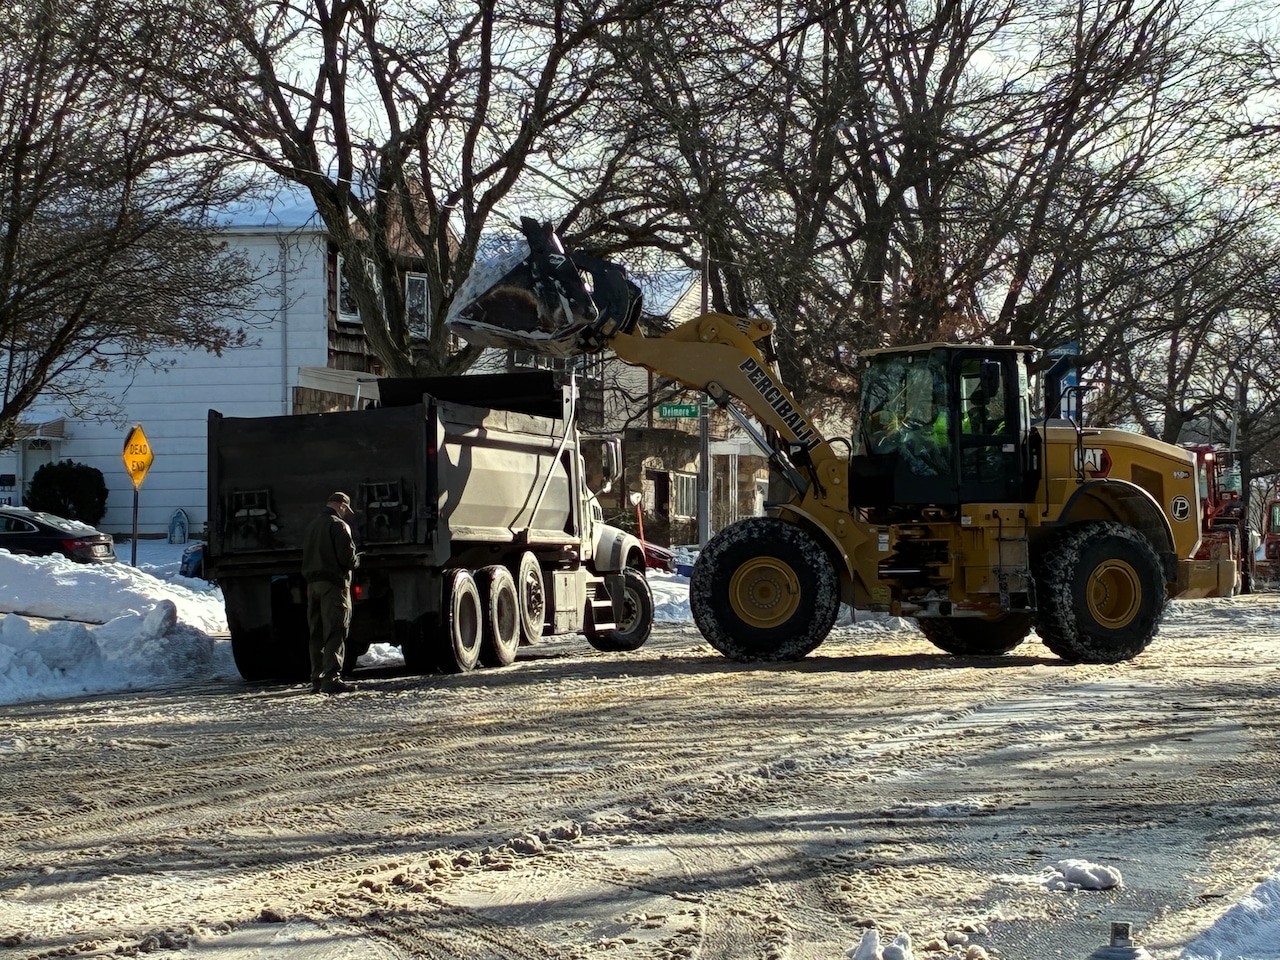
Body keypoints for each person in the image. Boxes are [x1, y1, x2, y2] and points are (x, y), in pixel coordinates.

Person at [301, 491, 361, 694]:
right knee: (335, 630)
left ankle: (316, 679)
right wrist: (358, 559)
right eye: (346, 509)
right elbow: (348, 559)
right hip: (333, 586)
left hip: (313, 585)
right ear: (341, 506)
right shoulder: (339, 525)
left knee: (316, 634)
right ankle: (332, 679)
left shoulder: (312, 526)